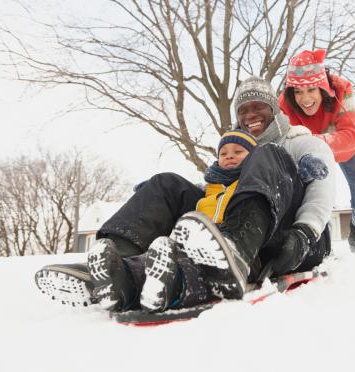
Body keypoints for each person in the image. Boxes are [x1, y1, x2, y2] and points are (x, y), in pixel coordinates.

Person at [36, 102, 335, 313]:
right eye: (243, 110)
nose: (251, 114)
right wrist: (157, 200)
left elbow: (323, 190)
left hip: (293, 239)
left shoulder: (294, 144)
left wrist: (306, 231)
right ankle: (116, 269)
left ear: (275, 110)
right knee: (166, 184)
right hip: (222, 239)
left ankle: (238, 252)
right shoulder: (226, 174)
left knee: (268, 154)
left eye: (259, 107)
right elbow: (209, 199)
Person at [278, 49, 355, 254]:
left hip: (349, 147)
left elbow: (350, 133)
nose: (305, 99)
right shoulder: (284, 105)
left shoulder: (342, 89)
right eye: (298, 91)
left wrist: (313, 141)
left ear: (322, 87)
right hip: (311, 155)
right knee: (308, 193)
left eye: (311, 90)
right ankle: (315, 243)